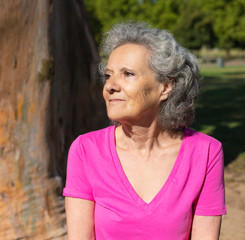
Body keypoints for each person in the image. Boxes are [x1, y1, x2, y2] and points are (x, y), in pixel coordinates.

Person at [63, 22, 226, 240]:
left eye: (128, 74)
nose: (110, 86)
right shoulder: (85, 150)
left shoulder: (206, 153)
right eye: (109, 75)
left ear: (166, 87)